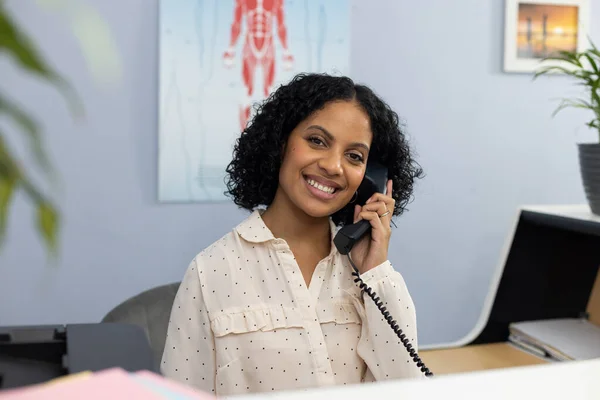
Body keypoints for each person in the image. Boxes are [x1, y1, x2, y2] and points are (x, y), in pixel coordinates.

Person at [160, 73, 425, 396]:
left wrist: (375, 272)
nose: (333, 166)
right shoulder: (211, 270)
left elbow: (409, 389)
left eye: (354, 156)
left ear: (371, 178)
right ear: (281, 143)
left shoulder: (367, 274)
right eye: (317, 141)